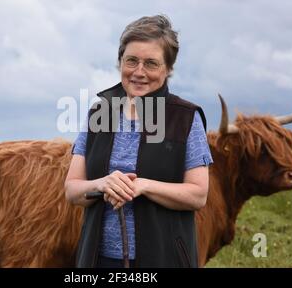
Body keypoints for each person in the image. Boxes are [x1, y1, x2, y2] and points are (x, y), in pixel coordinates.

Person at [64, 15, 213, 268]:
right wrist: (103, 183)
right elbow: (72, 190)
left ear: (168, 69)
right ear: (120, 62)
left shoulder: (186, 118)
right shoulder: (99, 114)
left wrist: (143, 186)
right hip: (97, 260)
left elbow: (198, 195)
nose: (139, 72)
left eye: (151, 64)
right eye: (131, 61)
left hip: (164, 260)